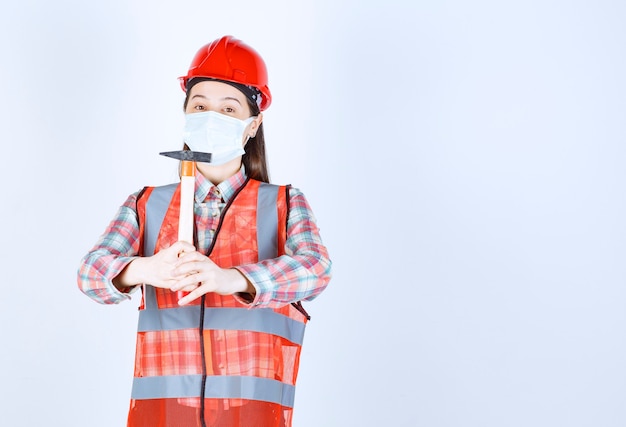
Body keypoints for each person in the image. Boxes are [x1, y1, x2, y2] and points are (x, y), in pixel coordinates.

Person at [77, 35, 332, 427]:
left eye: (229, 109)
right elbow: (90, 274)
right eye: (200, 106)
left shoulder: (283, 203)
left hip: (251, 414)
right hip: (163, 414)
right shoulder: (147, 204)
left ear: (253, 124)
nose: (211, 117)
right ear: (185, 115)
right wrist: (145, 270)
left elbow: (316, 270)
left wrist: (232, 278)